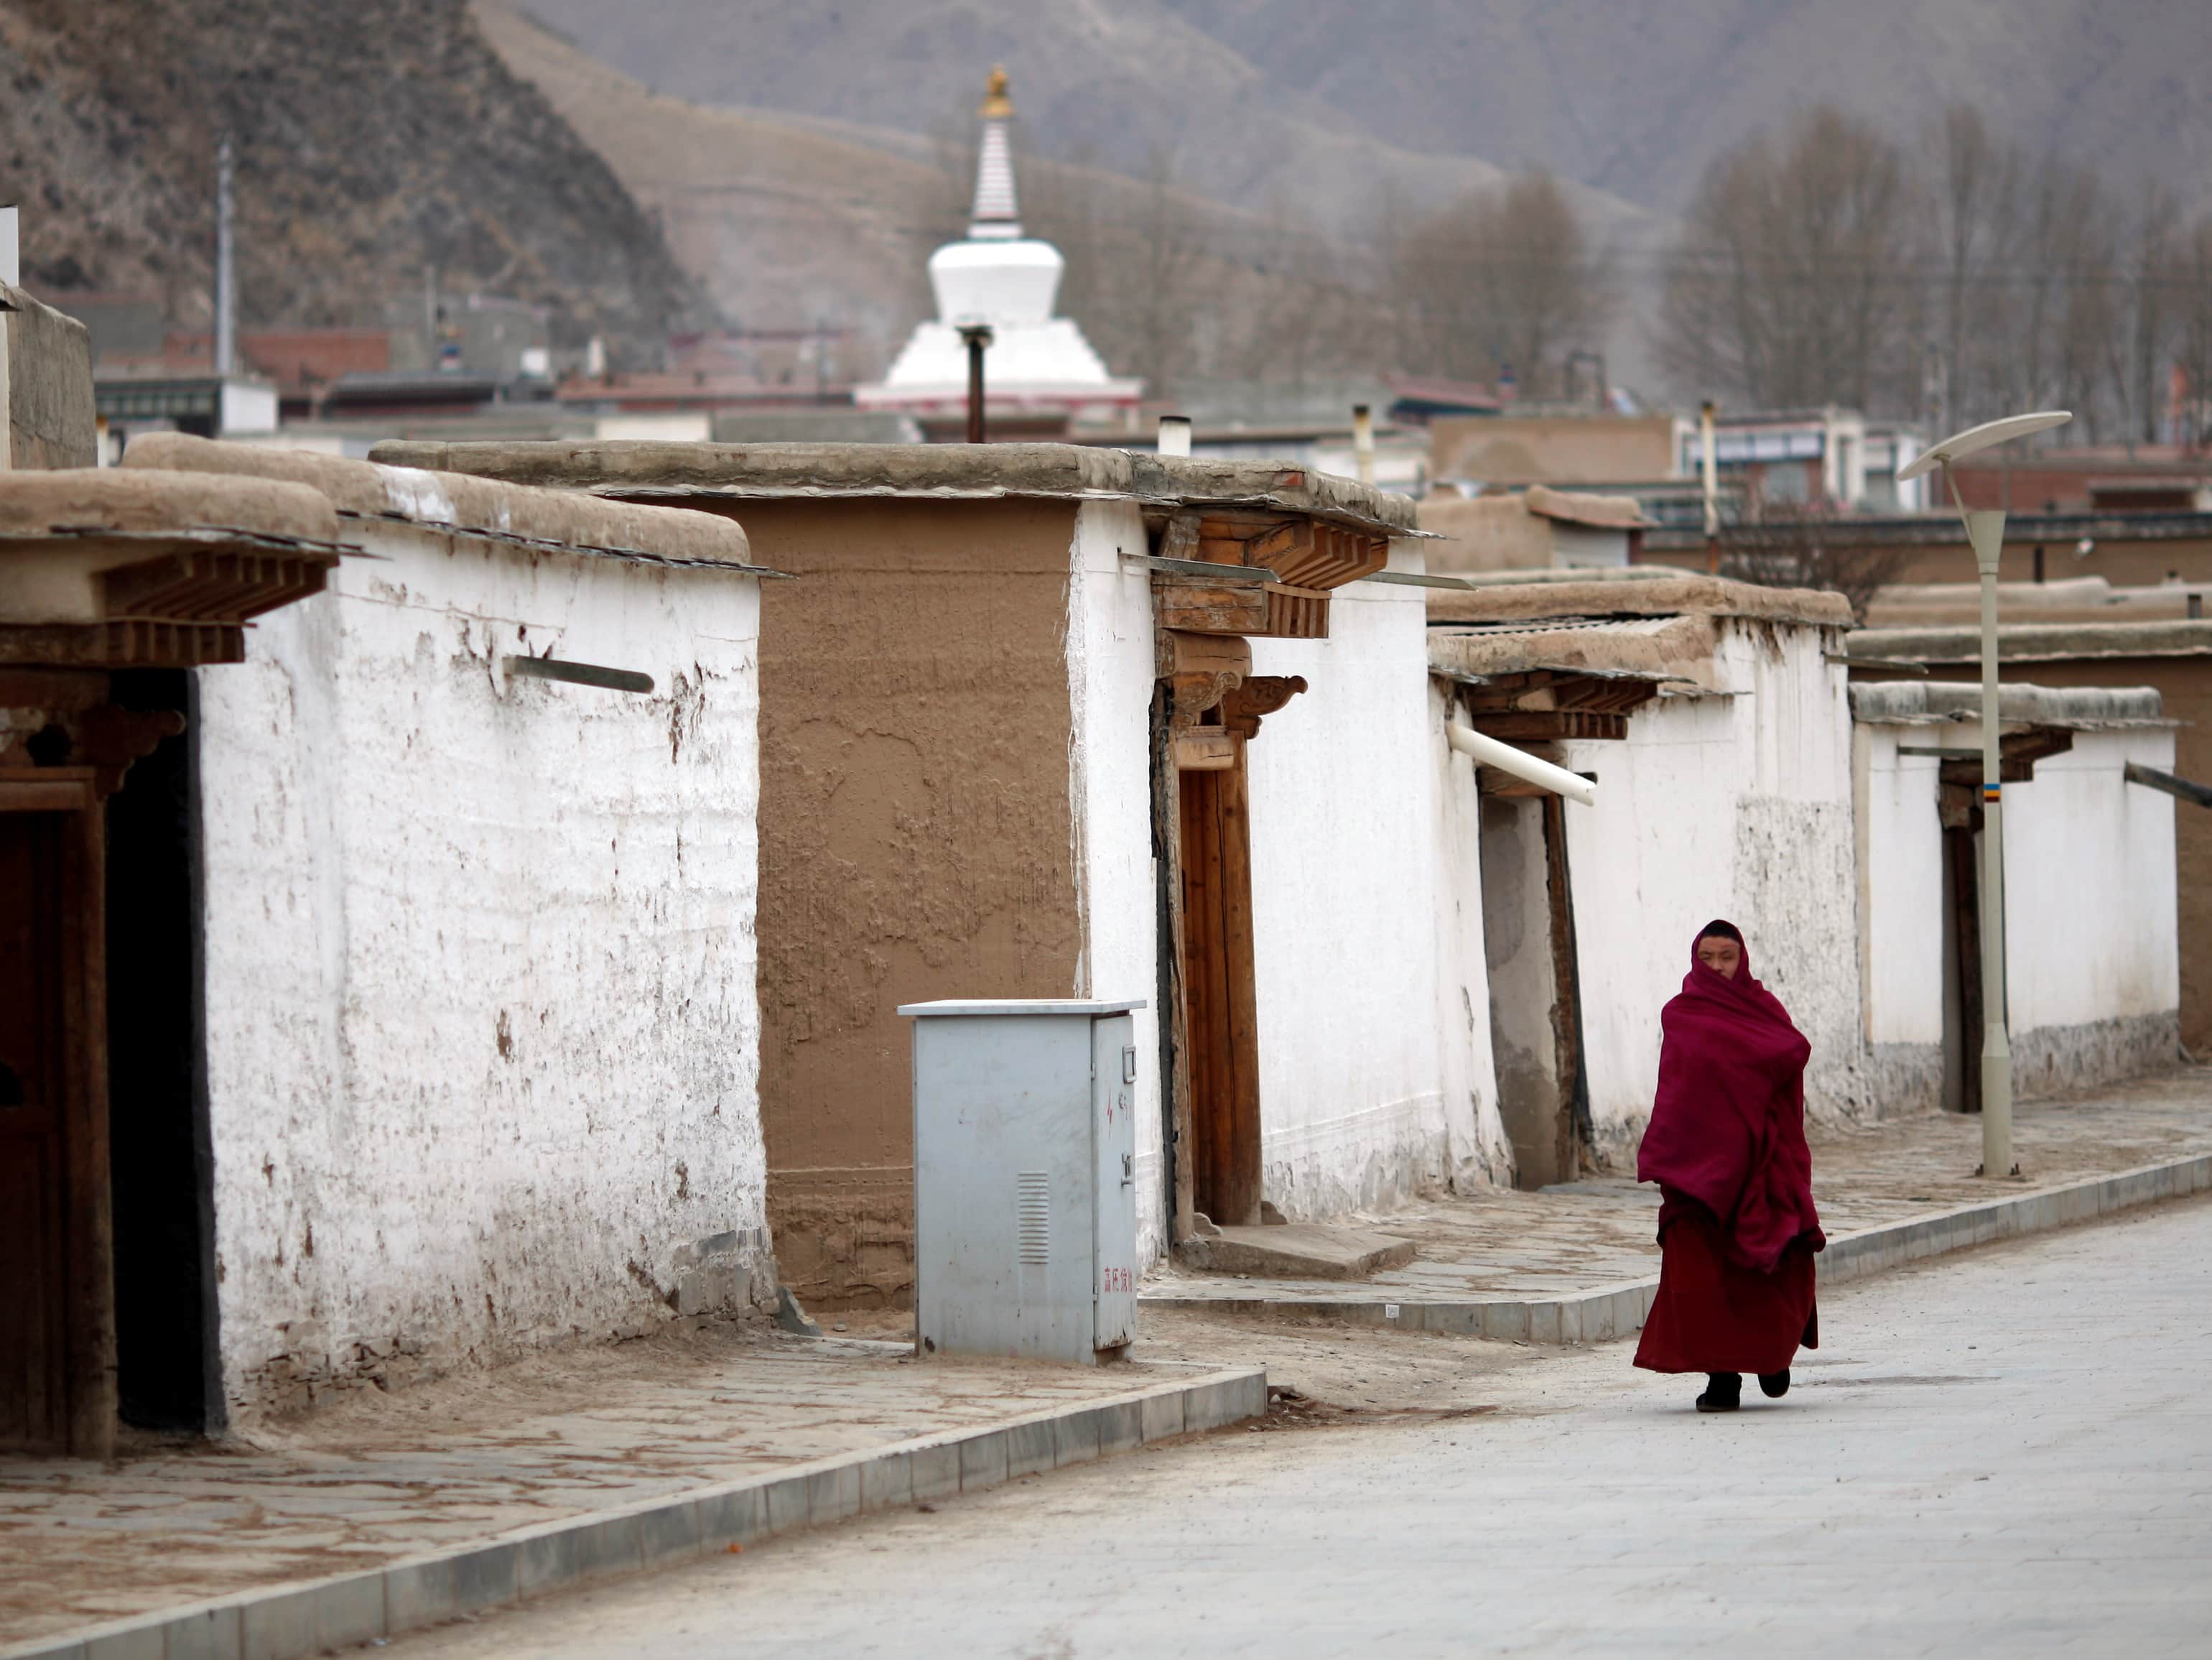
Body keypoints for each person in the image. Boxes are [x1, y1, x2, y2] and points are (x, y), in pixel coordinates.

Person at [1633, 919, 1824, 1411]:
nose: (1717, 967)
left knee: (1769, 1258)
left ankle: (1771, 1354)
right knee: (1705, 1276)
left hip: (1761, 1161)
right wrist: (1669, 1153)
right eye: (1707, 957)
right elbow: (1675, 1090)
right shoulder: (1680, 1015)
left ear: (1744, 960)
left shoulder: (1764, 1011)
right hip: (1700, 1168)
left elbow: (1790, 1058)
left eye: (1727, 957)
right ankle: (1723, 1378)